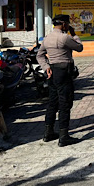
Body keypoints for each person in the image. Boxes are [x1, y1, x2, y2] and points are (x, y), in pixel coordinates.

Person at [37, 14, 83, 147]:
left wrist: (46, 67)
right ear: (64, 24)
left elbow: (39, 55)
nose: (68, 26)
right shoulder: (65, 37)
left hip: (52, 72)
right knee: (65, 103)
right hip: (64, 73)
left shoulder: (47, 38)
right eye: (67, 24)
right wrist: (74, 35)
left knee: (53, 102)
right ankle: (64, 136)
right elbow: (79, 47)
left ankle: (48, 132)